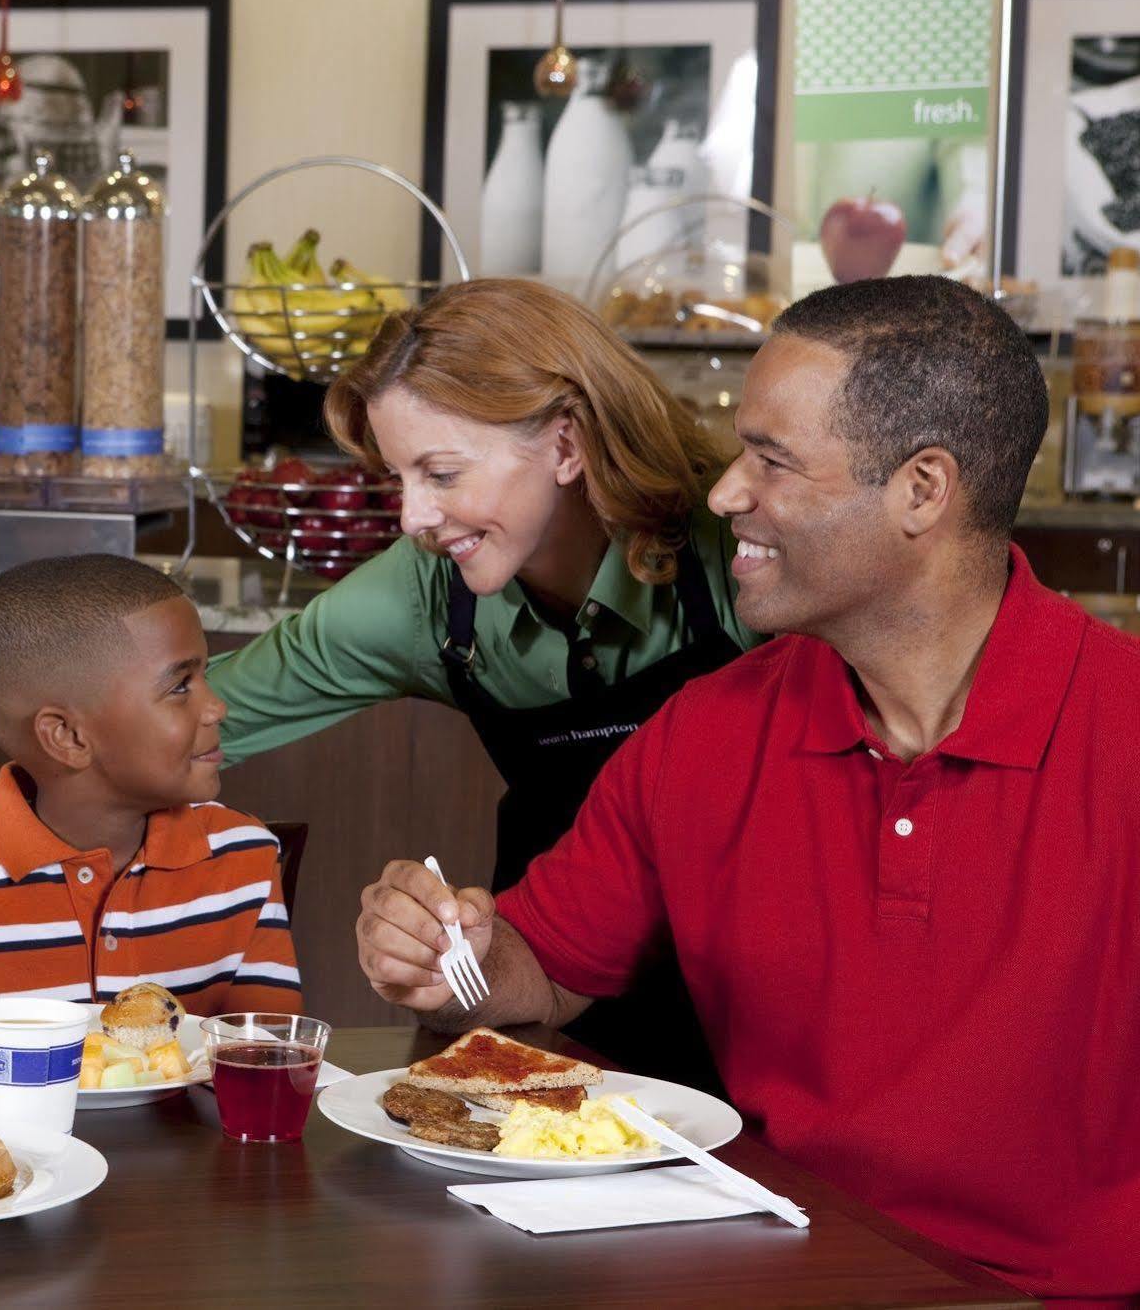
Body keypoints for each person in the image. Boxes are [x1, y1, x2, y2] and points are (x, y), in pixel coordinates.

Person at [353, 275, 1139, 1303]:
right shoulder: (706, 731)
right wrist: (446, 949)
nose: (723, 494)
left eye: (769, 461)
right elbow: (538, 969)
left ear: (921, 490)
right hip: (756, 1265)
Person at [0, 280, 758, 1086]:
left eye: (440, 472)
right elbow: (161, 721)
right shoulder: (425, 595)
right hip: (538, 982)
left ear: (564, 445)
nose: (415, 517)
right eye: (396, 478)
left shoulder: (742, 550)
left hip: (752, 964)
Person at [0, 555, 300, 1033]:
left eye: (204, 676)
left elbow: (273, 1057)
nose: (217, 707)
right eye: (180, 686)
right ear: (67, 738)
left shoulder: (245, 857)